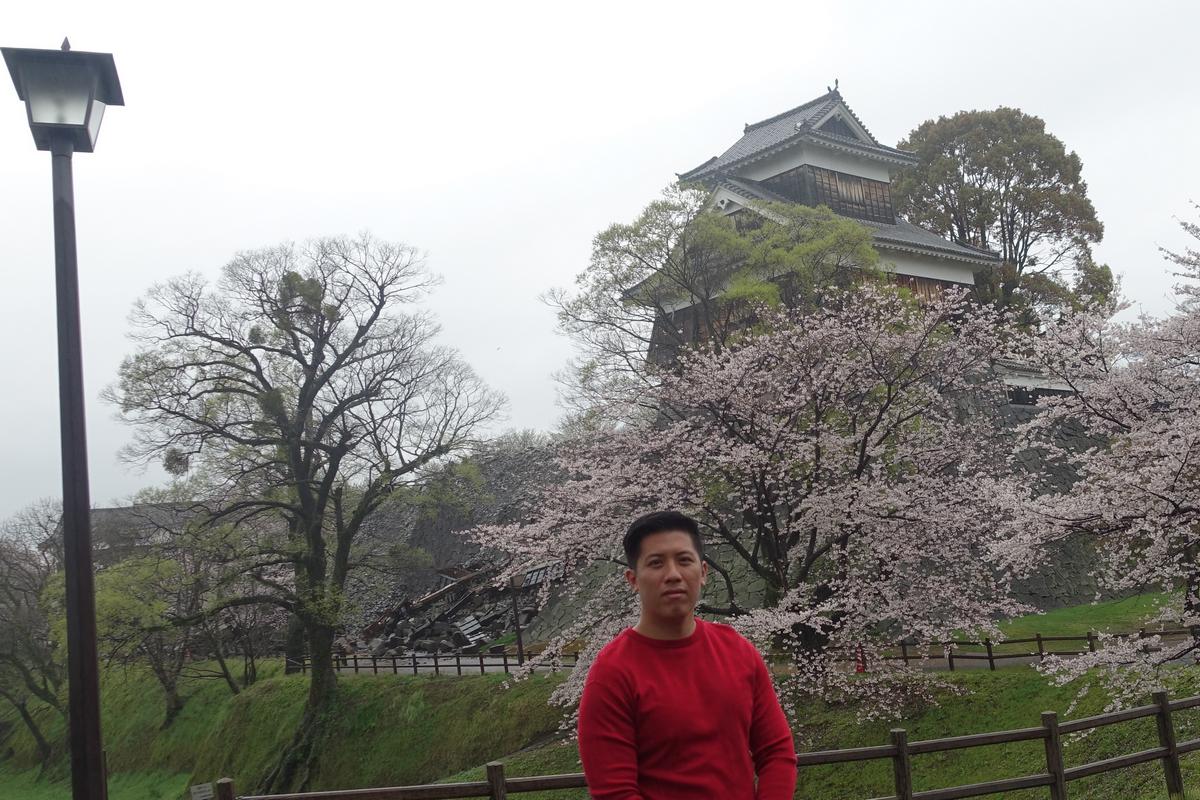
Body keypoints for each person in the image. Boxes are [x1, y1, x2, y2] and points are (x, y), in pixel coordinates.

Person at [577, 510, 797, 799]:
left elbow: (777, 752)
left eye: (684, 561)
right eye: (656, 563)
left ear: (703, 572)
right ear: (633, 579)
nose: (673, 575)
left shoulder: (738, 651)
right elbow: (615, 792)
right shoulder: (612, 673)